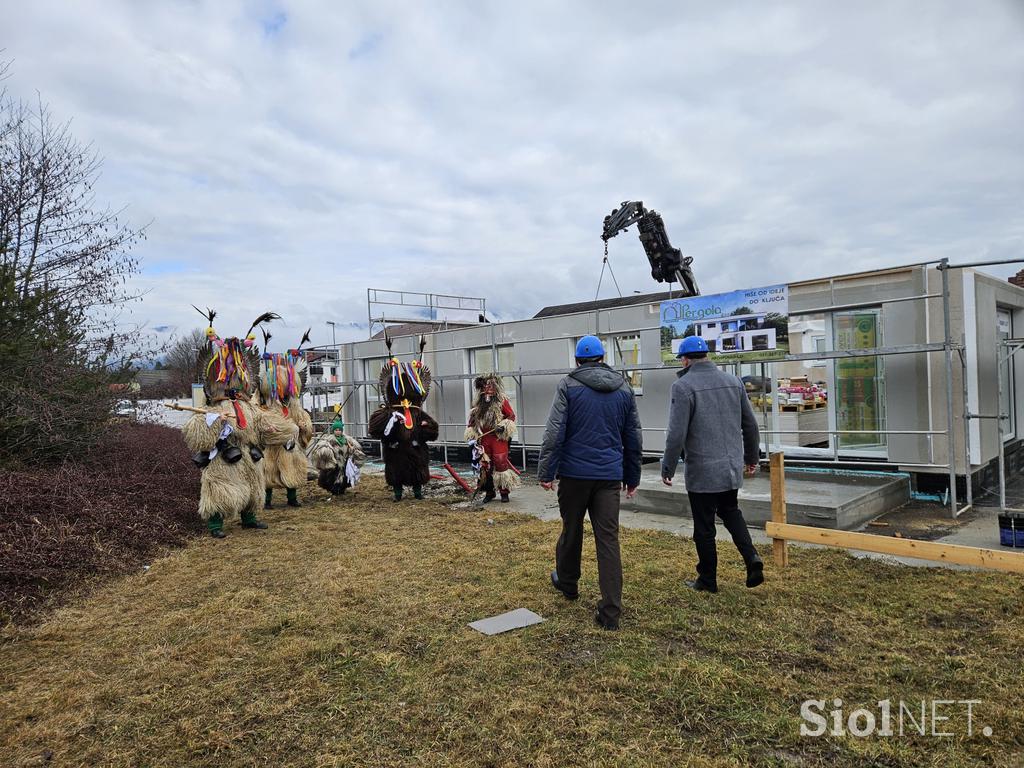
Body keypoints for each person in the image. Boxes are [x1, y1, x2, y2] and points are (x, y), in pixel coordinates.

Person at [537, 335, 642, 631]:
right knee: (608, 540)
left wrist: (546, 472)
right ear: (602, 357)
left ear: (578, 360)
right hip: (609, 477)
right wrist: (632, 477)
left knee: (572, 529)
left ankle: (568, 583)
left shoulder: (568, 386)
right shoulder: (623, 388)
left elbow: (554, 433)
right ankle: (610, 613)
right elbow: (633, 436)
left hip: (573, 475)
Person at [660, 335, 764, 592]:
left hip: (703, 470)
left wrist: (667, 466)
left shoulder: (683, 387)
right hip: (730, 468)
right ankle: (751, 558)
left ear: (685, 360)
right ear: (707, 355)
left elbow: (676, 433)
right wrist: (752, 458)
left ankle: (707, 579)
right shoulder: (733, 381)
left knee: (704, 526)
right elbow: (750, 424)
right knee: (731, 511)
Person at [367, 356, 439, 501]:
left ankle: (418, 493)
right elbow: (375, 430)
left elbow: (433, 431)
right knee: (396, 473)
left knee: (417, 472)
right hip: (396, 451)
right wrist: (391, 423)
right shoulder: (388, 413)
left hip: (416, 451)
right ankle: (397, 494)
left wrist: (427, 428)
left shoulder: (418, 413)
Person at [465, 373, 519, 502]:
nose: (487, 388)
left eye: (490, 385)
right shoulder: (478, 404)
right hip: (484, 440)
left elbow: (511, 416)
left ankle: (504, 492)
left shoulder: (501, 401)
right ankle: (489, 492)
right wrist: (472, 433)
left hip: (498, 438)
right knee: (485, 466)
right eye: (485, 386)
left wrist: (503, 425)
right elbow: (472, 421)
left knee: (501, 463)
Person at [309, 414, 366, 495]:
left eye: (339, 430)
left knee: (344, 477)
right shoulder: (329, 440)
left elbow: (354, 449)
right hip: (334, 463)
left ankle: (342, 489)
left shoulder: (347, 439)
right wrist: (328, 453)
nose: (338, 431)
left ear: (342, 431)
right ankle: (334, 490)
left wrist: (351, 449)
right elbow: (323, 449)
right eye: (336, 430)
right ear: (333, 431)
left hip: (344, 463)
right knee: (332, 477)